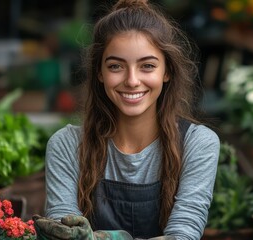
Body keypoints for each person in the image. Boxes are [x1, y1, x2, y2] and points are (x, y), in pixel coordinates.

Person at [33, 0, 220, 239]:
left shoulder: (198, 144)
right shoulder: (67, 145)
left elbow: (183, 234)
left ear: (167, 71)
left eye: (147, 66)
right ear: (99, 72)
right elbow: (65, 233)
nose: (132, 80)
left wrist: (113, 237)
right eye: (116, 66)